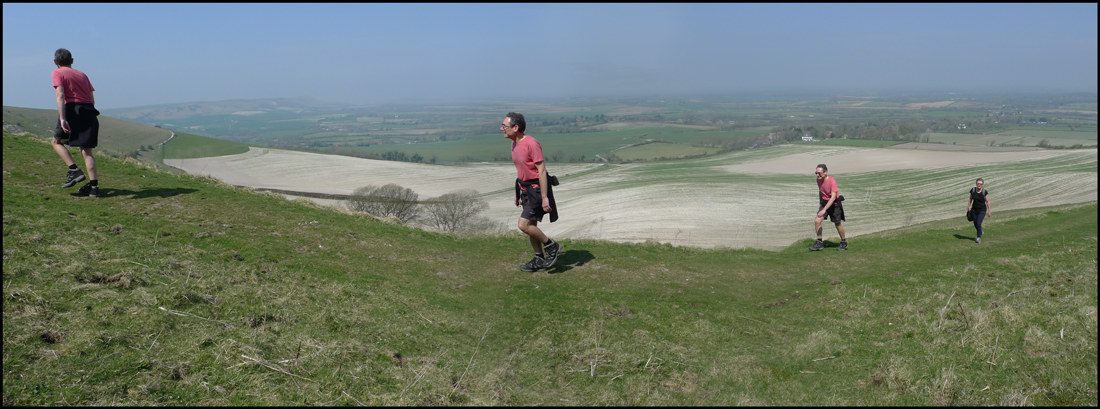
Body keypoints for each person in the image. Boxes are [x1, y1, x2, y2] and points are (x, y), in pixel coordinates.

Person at [503, 112, 562, 272]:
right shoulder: (514, 144)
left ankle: (551, 246)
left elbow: (541, 170)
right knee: (531, 225)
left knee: (523, 225)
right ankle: (539, 258)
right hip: (525, 189)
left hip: (536, 189)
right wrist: (518, 194)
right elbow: (522, 169)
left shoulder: (531, 143)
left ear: (516, 127)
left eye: (504, 126)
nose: (502, 129)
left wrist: (544, 197)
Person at [51, 48, 101, 198]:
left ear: (55, 62)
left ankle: (74, 170)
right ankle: (94, 188)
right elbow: (92, 99)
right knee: (87, 151)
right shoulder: (83, 75)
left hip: (72, 109)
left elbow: (60, 95)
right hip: (89, 110)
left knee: (56, 142)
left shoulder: (57, 72)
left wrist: (63, 118)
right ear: (72, 61)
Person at [810, 163, 847, 251]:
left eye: (819, 173)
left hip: (834, 204)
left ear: (825, 172)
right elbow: (821, 191)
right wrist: (820, 203)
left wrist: (824, 210)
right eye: (816, 173)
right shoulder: (818, 180)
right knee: (817, 221)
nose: (817, 175)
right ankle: (819, 242)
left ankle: (844, 242)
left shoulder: (832, 181)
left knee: (837, 224)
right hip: (824, 203)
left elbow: (833, 197)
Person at [967, 178, 992, 243]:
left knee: (978, 223)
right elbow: (970, 199)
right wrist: (969, 207)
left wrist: (989, 211)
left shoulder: (984, 192)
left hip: (982, 210)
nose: (979, 185)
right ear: (976, 184)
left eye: (981, 184)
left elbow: (987, 201)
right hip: (974, 210)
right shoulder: (973, 190)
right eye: (978, 183)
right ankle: (980, 231)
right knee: (975, 223)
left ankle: (978, 237)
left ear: (982, 184)